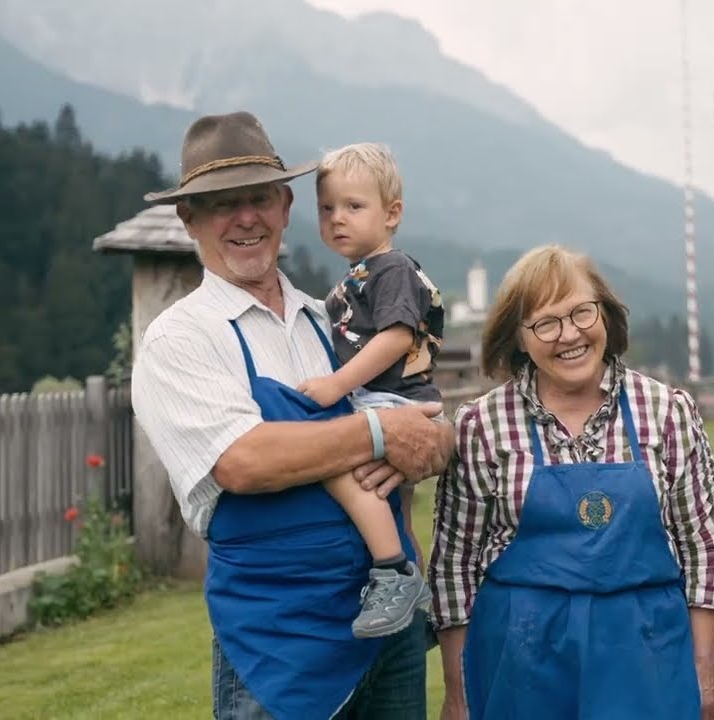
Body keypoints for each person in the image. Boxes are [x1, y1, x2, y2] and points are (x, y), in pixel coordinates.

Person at [131, 111, 453, 720]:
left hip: (391, 628)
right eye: (223, 203)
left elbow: (421, 419)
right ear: (189, 220)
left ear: (284, 206)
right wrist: (379, 433)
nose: (245, 217)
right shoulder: (181, 338)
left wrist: (432, 440)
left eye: (259, 198)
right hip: (279, 646)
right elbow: (243, 462)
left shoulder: (331, 319)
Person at [428, 245, 714, 720]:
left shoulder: (666, 411)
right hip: (520, 660)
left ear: (605, 314)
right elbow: (455, 565)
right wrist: (458, 689)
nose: (569, 334)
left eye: (581, 313)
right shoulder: (481, 425)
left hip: (648, 655)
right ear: (518, 337)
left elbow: (704, 547)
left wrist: (703, 672)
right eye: (546, 323)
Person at [295, 142, 444, 638]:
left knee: (342, 469)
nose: (338, 218)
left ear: (392, 213)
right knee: (395, 507)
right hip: (384, 397)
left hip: (393, 399)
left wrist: (338, 384)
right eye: (327, 208)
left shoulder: (393, 268)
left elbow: (399, 335)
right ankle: (416, 599)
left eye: (354, 207)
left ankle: (393, 573)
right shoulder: (356, 276)